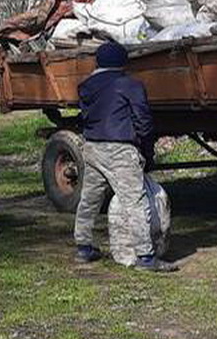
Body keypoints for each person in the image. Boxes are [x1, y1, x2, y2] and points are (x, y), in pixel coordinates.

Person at [73, 41, 178, 272]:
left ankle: (83, 247)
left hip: (91, 147)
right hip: (119, 150)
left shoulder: (85, 86)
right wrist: (146, 150)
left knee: (89, 198)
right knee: (135, 201)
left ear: (98, 62)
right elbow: (143, 121)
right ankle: (146, 257)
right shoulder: (130, 85)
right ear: (123, 63)